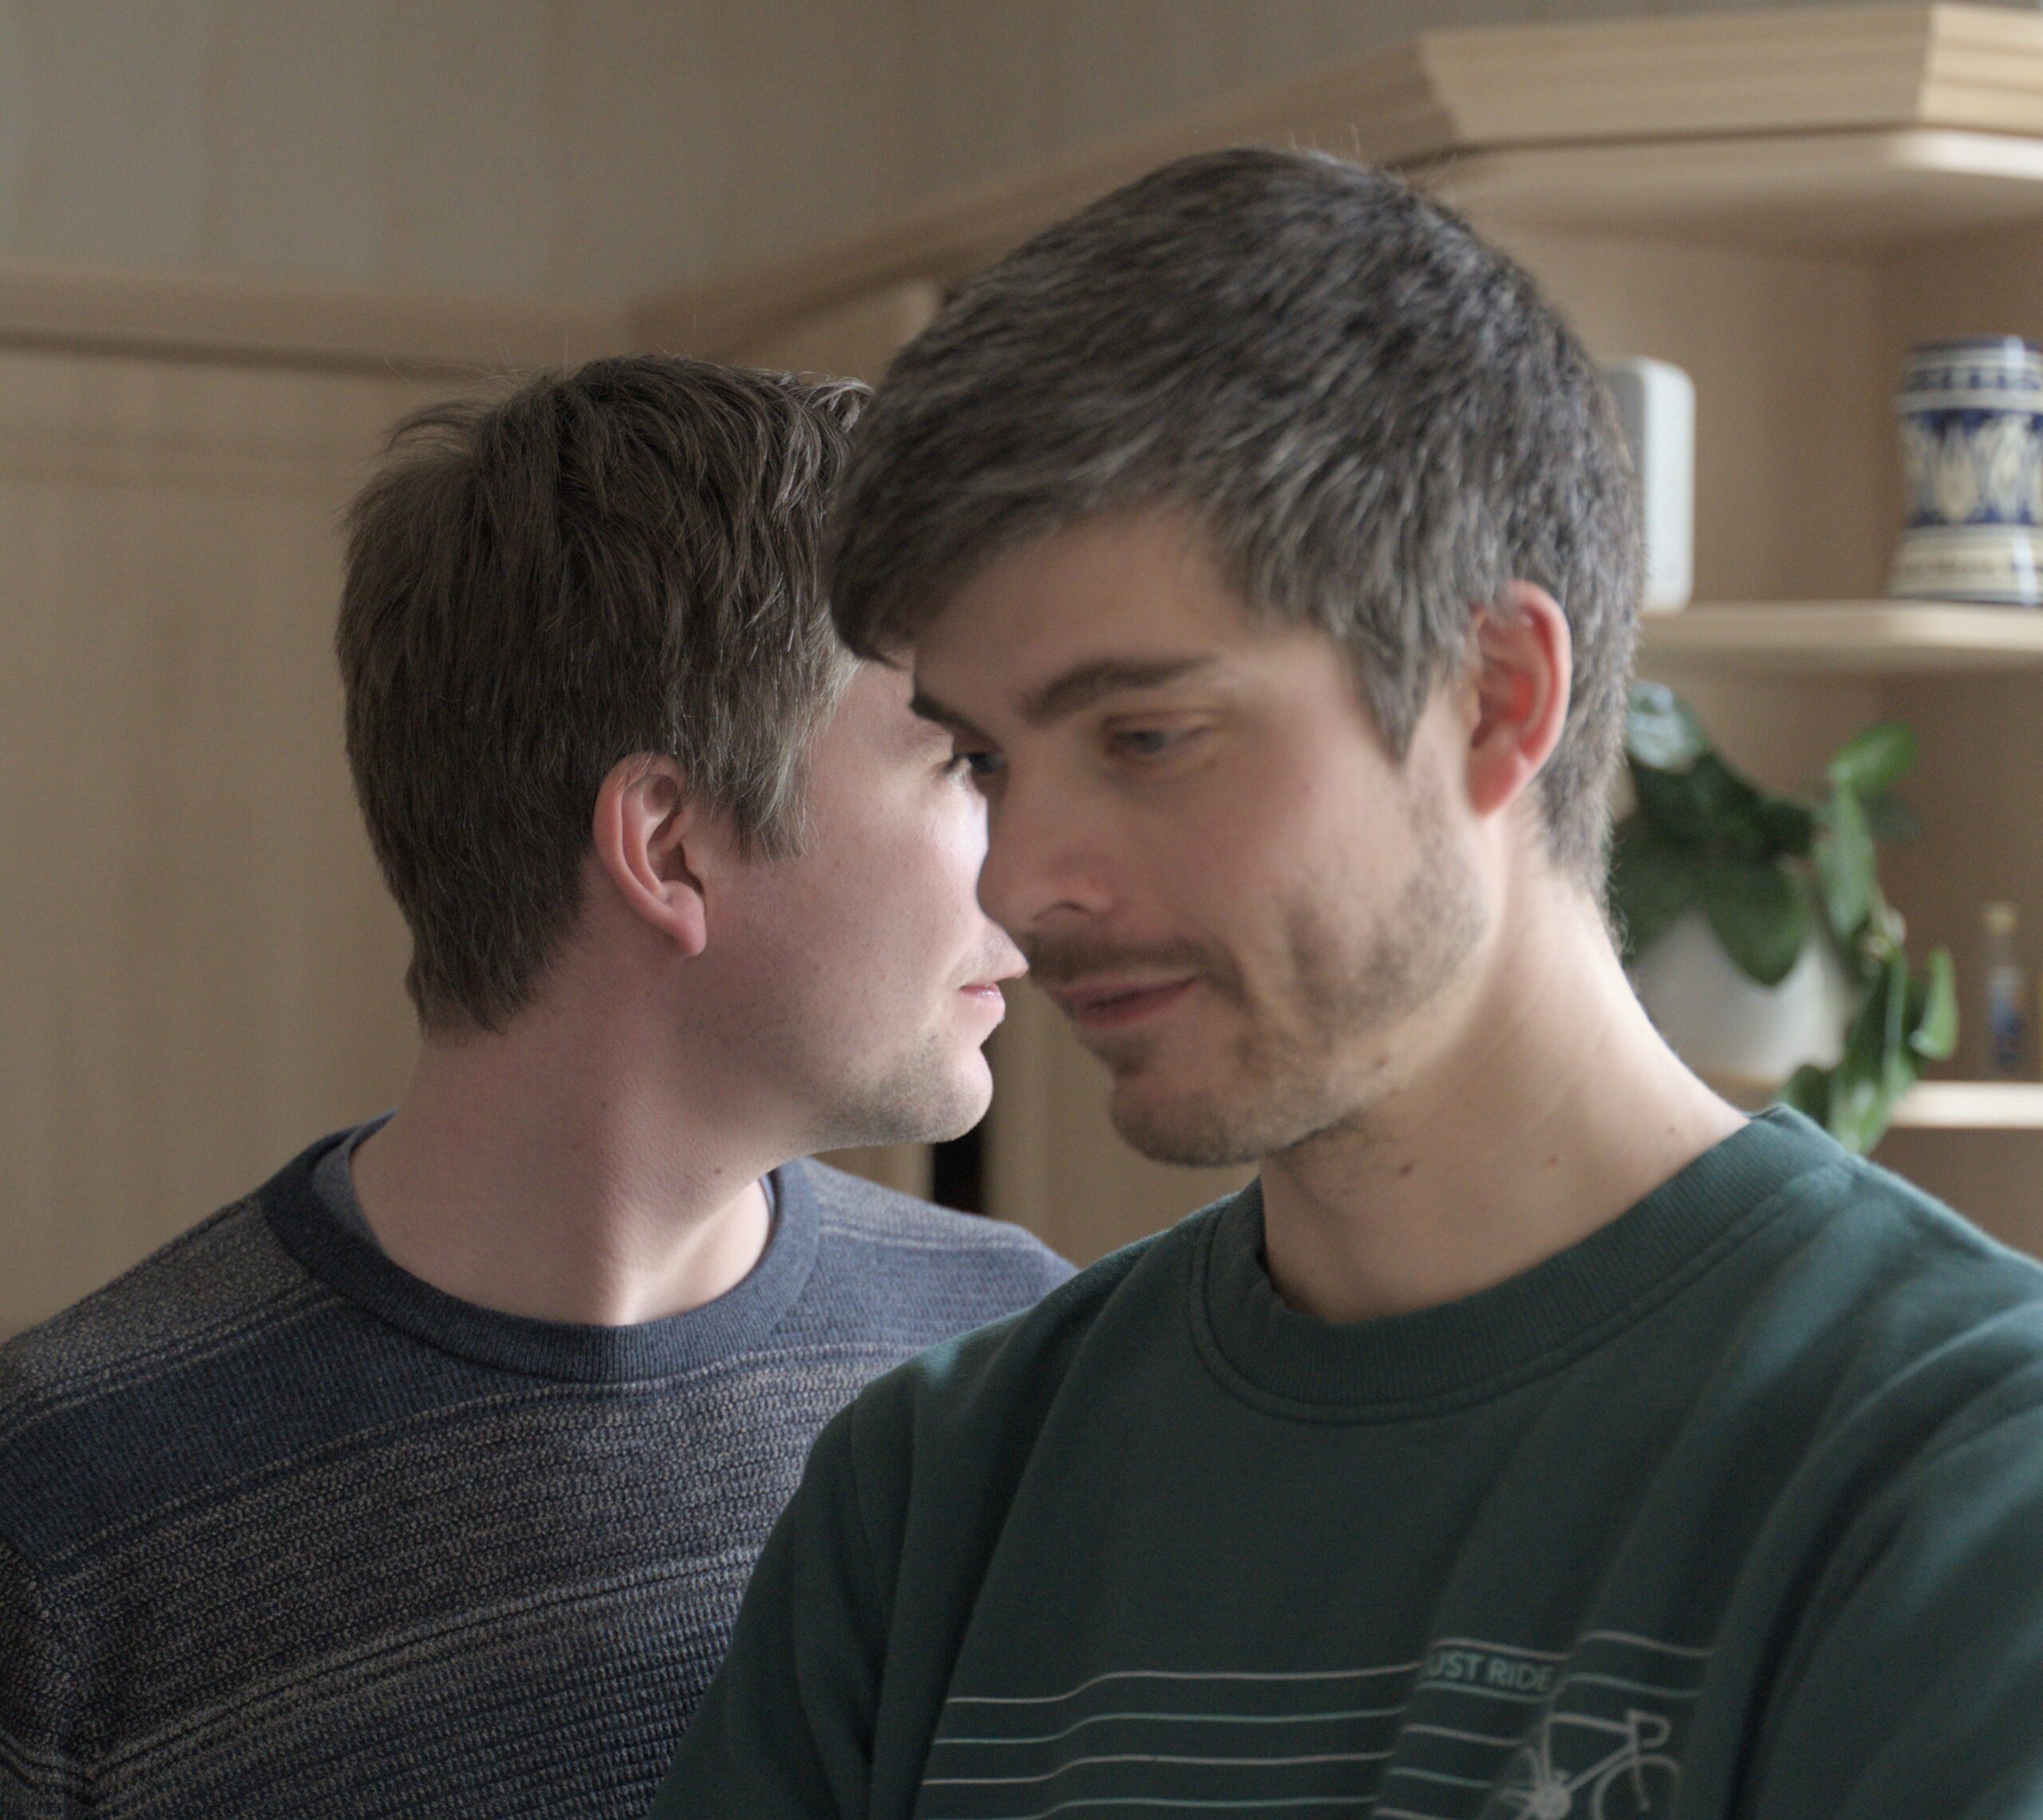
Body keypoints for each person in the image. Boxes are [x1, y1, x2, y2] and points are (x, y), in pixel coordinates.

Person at [654, 151, 2043, 1820]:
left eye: (1145, 736)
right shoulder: (933, 1496)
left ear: (1494, 696)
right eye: (985, 761)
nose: (1021, 884)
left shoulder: (1957, 1473)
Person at [0, 356, 1069, 1820]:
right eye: (966, 763)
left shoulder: (1031, 1367)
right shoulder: (62, 1509)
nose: (1044, 859)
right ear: (670, 846)